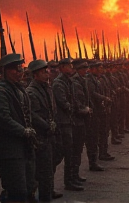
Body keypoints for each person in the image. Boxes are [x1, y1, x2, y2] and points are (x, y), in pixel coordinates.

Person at [0, 53, 37, 203]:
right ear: (5, 71)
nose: (19, 73)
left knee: (29, 187)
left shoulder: (18, 88)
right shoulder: (0, 91)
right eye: (15, 70)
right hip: (9, 148)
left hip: (24, 146)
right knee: (16, 190)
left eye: (20, 69)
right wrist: (23, 130)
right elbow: (4, 118)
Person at [26, 59, 57, 202]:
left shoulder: (46, 88)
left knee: (47, 172)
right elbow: (33, 115)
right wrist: (46, 124)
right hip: (39, 137)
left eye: (47, 71)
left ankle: (47, 195)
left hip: (47, 135)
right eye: (44, 72)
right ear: (35, 75)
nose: (47, 74)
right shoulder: (31, 92)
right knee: (41, 173)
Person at [52, 58, 83, 191]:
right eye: (69, 66)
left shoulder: (68, 81)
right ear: (63, 67)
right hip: (63, 123)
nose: (72, 68)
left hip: (69, 121)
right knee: (64, 154)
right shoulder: (58, 83)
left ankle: (71, 178)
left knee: (72, 152)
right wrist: (77, 109)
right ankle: (65, 182)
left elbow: (74, 100)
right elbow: (64, 103)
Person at [71, 59, 91, 184]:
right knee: (75, 150)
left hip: (81, 118)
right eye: (83, 69)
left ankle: (75, 175)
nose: (86, 71)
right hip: (77, 119)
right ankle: (72, 177)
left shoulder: (81, 80)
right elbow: (76, 103)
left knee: (78, 149)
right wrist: (85, 110)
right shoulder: (75, 82)